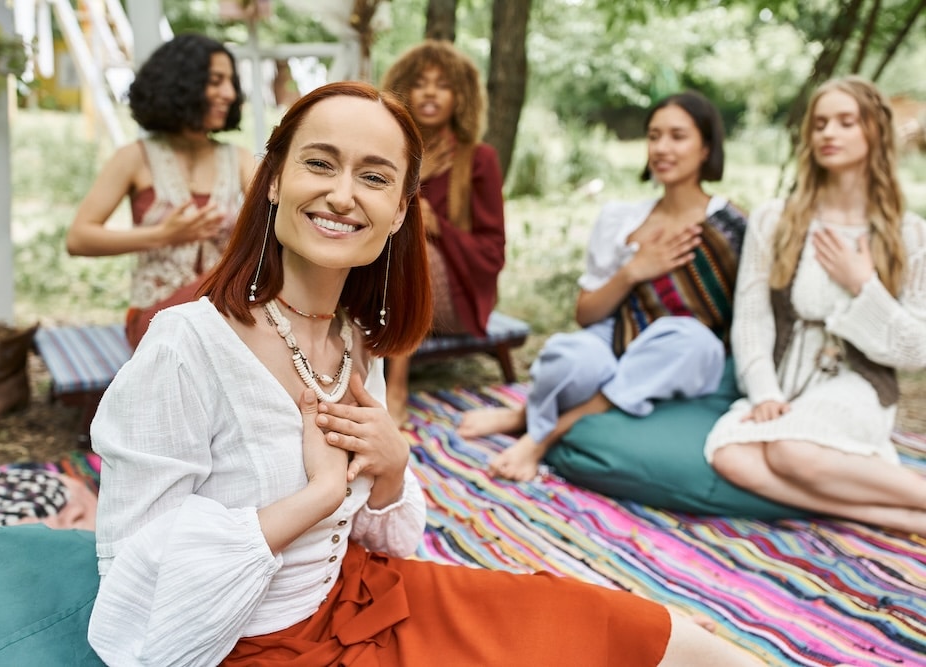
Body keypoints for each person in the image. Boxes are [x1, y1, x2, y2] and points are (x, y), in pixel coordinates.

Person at [85, 80, 764, 667]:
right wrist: (317, 495)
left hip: (363, 597)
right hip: (244, 644)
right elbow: (135, 584)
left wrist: (389, 466)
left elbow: (379, 534)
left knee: (635, 629)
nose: (343, 195)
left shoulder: (357, 338)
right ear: (274, 181)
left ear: (401, 208)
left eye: (375, 177)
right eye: (320, 164)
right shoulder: (188, 343)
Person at [459, 90, 748, 482]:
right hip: (619, 334)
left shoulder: (734, 227)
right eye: (653, 135)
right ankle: (522, 414)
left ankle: (541, 431)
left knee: (687, 339)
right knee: (570, 355)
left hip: (687, 353)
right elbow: (586, 314)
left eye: (677, 136)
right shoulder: (621, 219)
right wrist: (633, 271)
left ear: (706, 147)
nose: (662, 148)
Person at [704, 76, 926, 534]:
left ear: (875, 133)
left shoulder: (908, 232)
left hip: (858, 384)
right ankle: (899, 516)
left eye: (846, 122)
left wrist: (863, 284)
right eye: (821, 123)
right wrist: (764, 391)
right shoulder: (776, 218)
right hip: (786, 381)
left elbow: (916, 349)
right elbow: (751, 317)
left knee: (789, 451)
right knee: (729, 454)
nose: (828, 133)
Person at [66, 33, 256, 349]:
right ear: (180, 84)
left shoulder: (238, 159)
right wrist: (163, 235)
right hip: (160, 316)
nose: (229, 93)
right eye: (216, 81)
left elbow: (276, 225)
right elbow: (78, 239)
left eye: (231, 82)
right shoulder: (134, 158)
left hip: (226, 307)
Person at [379, 39, 507, 425]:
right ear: (404, 91)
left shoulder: (479, 159)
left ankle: (395, 385)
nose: (431, 92)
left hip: (458, 294)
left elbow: (492, 254)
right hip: (383, 279)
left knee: (413, 247)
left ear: (461, 96)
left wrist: (439, 229)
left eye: (444, 84)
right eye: (421, 83)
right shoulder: (392, 151)